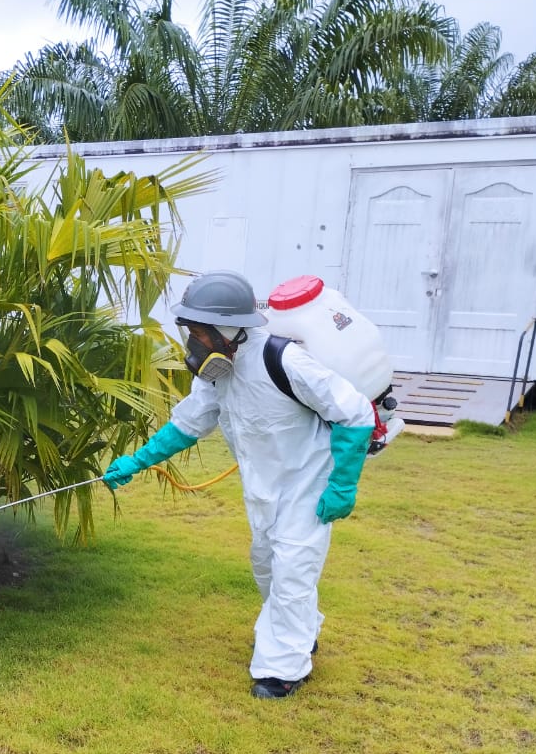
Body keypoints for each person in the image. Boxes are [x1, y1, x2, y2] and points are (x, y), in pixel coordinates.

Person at [105, 270, 375, 699]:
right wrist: (136, 461)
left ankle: (281, 670)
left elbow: (355, 413)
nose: (192, 341)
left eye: (197, 331)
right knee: (267, 564)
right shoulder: (216, 374)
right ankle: (298, 632)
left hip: (308, 482)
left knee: (291, 569)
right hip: (264, 487)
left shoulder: (283, 360)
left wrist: (342, 484)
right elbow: (187, 425)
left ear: (227, 330)